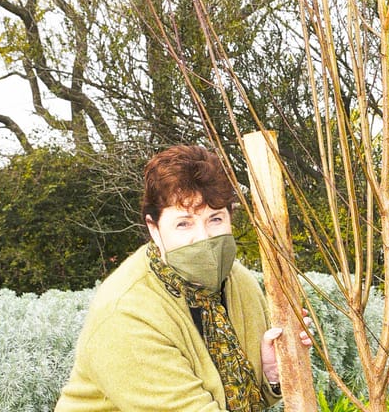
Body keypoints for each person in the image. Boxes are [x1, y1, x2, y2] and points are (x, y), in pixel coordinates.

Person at [55, 145, 311, 412]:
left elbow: (250, 399)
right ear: (154, 229)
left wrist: (271, 373)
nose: (204, 238)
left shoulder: (239, 282)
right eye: (184, 223)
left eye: (215, 219)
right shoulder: (126, 313)